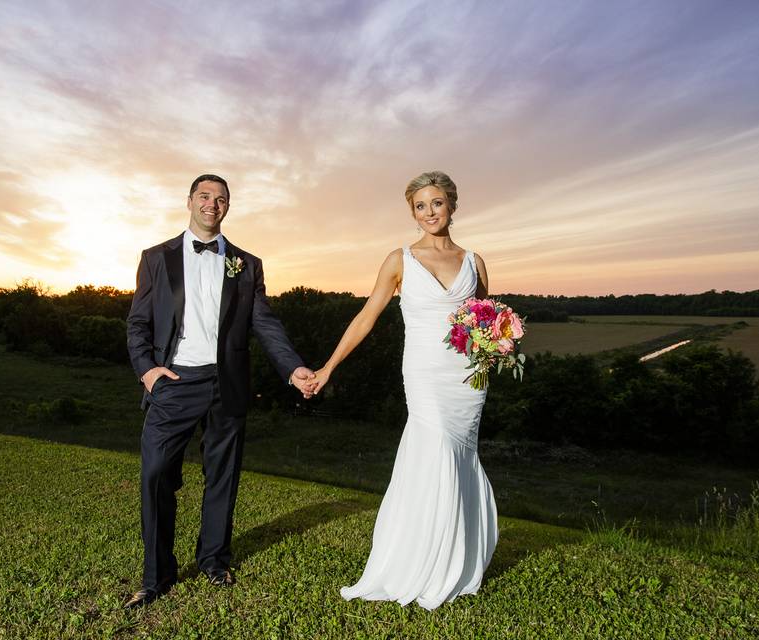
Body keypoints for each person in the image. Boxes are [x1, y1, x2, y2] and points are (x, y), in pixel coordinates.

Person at [123, 174, 317, 609]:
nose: (213, 204)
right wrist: (148, 371)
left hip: (226, 382)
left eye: (221, 199)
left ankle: (213, 560)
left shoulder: (247, 263)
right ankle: (157, 576)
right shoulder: (156, 257)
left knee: (222, 478)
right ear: (189, 201)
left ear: (228, 207)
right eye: (205, 196)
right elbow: (137, 322)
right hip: (172, 382)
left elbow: (264, 323)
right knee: (155, 474)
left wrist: (293, 367)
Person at [312, 171, 498, 609]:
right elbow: (366, 317)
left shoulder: (475, 261)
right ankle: (417, 563)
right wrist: (328, 366)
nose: (429, 212)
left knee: (459, 460)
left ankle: (457, 560)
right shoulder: (400, 260)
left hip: (467, 380)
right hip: (425, 374)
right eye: (420, 205)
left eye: (437, 203)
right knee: (432, 455)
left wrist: (492, 354)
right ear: (411, 211)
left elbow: (485, 321)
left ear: (452, 204)